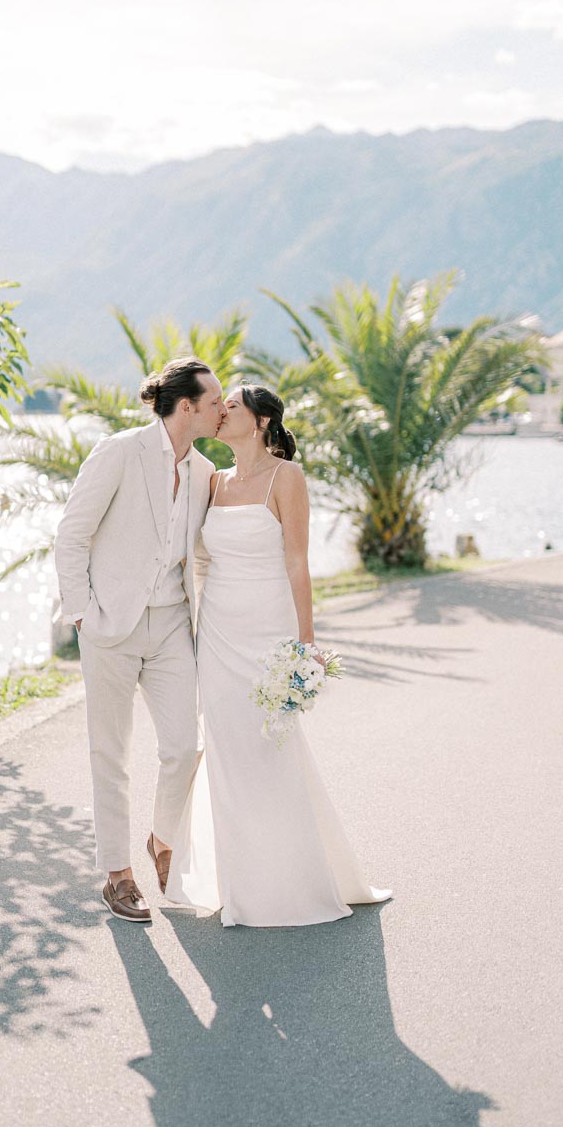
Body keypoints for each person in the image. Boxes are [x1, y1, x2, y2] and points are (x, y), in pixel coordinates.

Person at [166, 383, 391, 927]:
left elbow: (297, 562)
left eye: (233, 407)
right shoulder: (213, 482)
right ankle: (239, 884)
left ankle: (296, 880)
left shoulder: (286, 478)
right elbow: (200, 561)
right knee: (226, 750)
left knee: (270, 747)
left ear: (262, 421)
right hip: (218, 632)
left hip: (267, 634)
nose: (222, 414)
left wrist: (305, 645)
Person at [54, 357, 225, 923]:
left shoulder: (204, 473)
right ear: (186, 407)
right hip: (109, 624)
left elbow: (199, 555)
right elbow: (72, 535)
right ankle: (117, 874)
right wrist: (82, 613)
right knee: (111, 751)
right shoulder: (120, 451)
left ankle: (163, 841)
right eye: (216, 401)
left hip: (174, 623)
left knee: (183, 746)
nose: (224, 409)